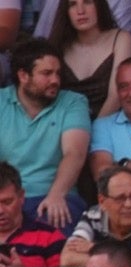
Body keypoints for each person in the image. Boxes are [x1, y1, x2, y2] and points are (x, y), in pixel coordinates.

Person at [0, 39, 89, 229]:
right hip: (6, 198)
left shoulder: (73, 102)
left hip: (55, 196)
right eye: (46, 74)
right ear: (23, 75)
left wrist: (56, 194)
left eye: (58, 73)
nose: (55, 80)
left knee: (56, 223)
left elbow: (75, 153)